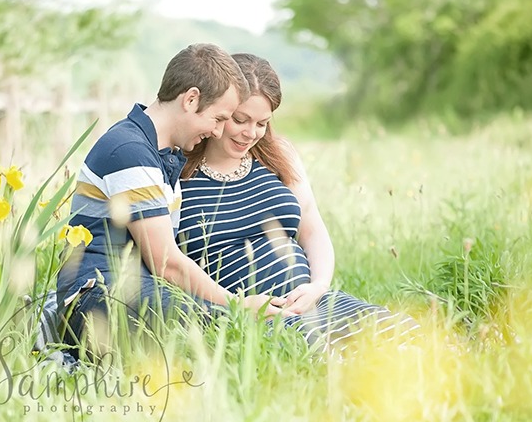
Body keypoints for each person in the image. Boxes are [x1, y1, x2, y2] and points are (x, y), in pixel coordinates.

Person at [36, 44, 284, 364]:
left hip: (137, 291)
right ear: (191, 99)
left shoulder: (159, 154)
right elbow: (165, 262)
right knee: (221, 330)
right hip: (97, 295)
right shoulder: (130, 151)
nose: (218, 131)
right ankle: (60, 344)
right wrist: (236, 304)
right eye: (219, 118)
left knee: (234, 333)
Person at [177, 53, 420, 355]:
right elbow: (169, 263)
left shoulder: (278, 156)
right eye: (240, 120)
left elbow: (312, 228)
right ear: (220, 110)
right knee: (335, 363)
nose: (250, 133)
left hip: (311, 302)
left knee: (410, 339)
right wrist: (235, 307)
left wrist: (317, 286)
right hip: (248, 317)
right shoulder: (179, 171)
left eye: (261, 123)